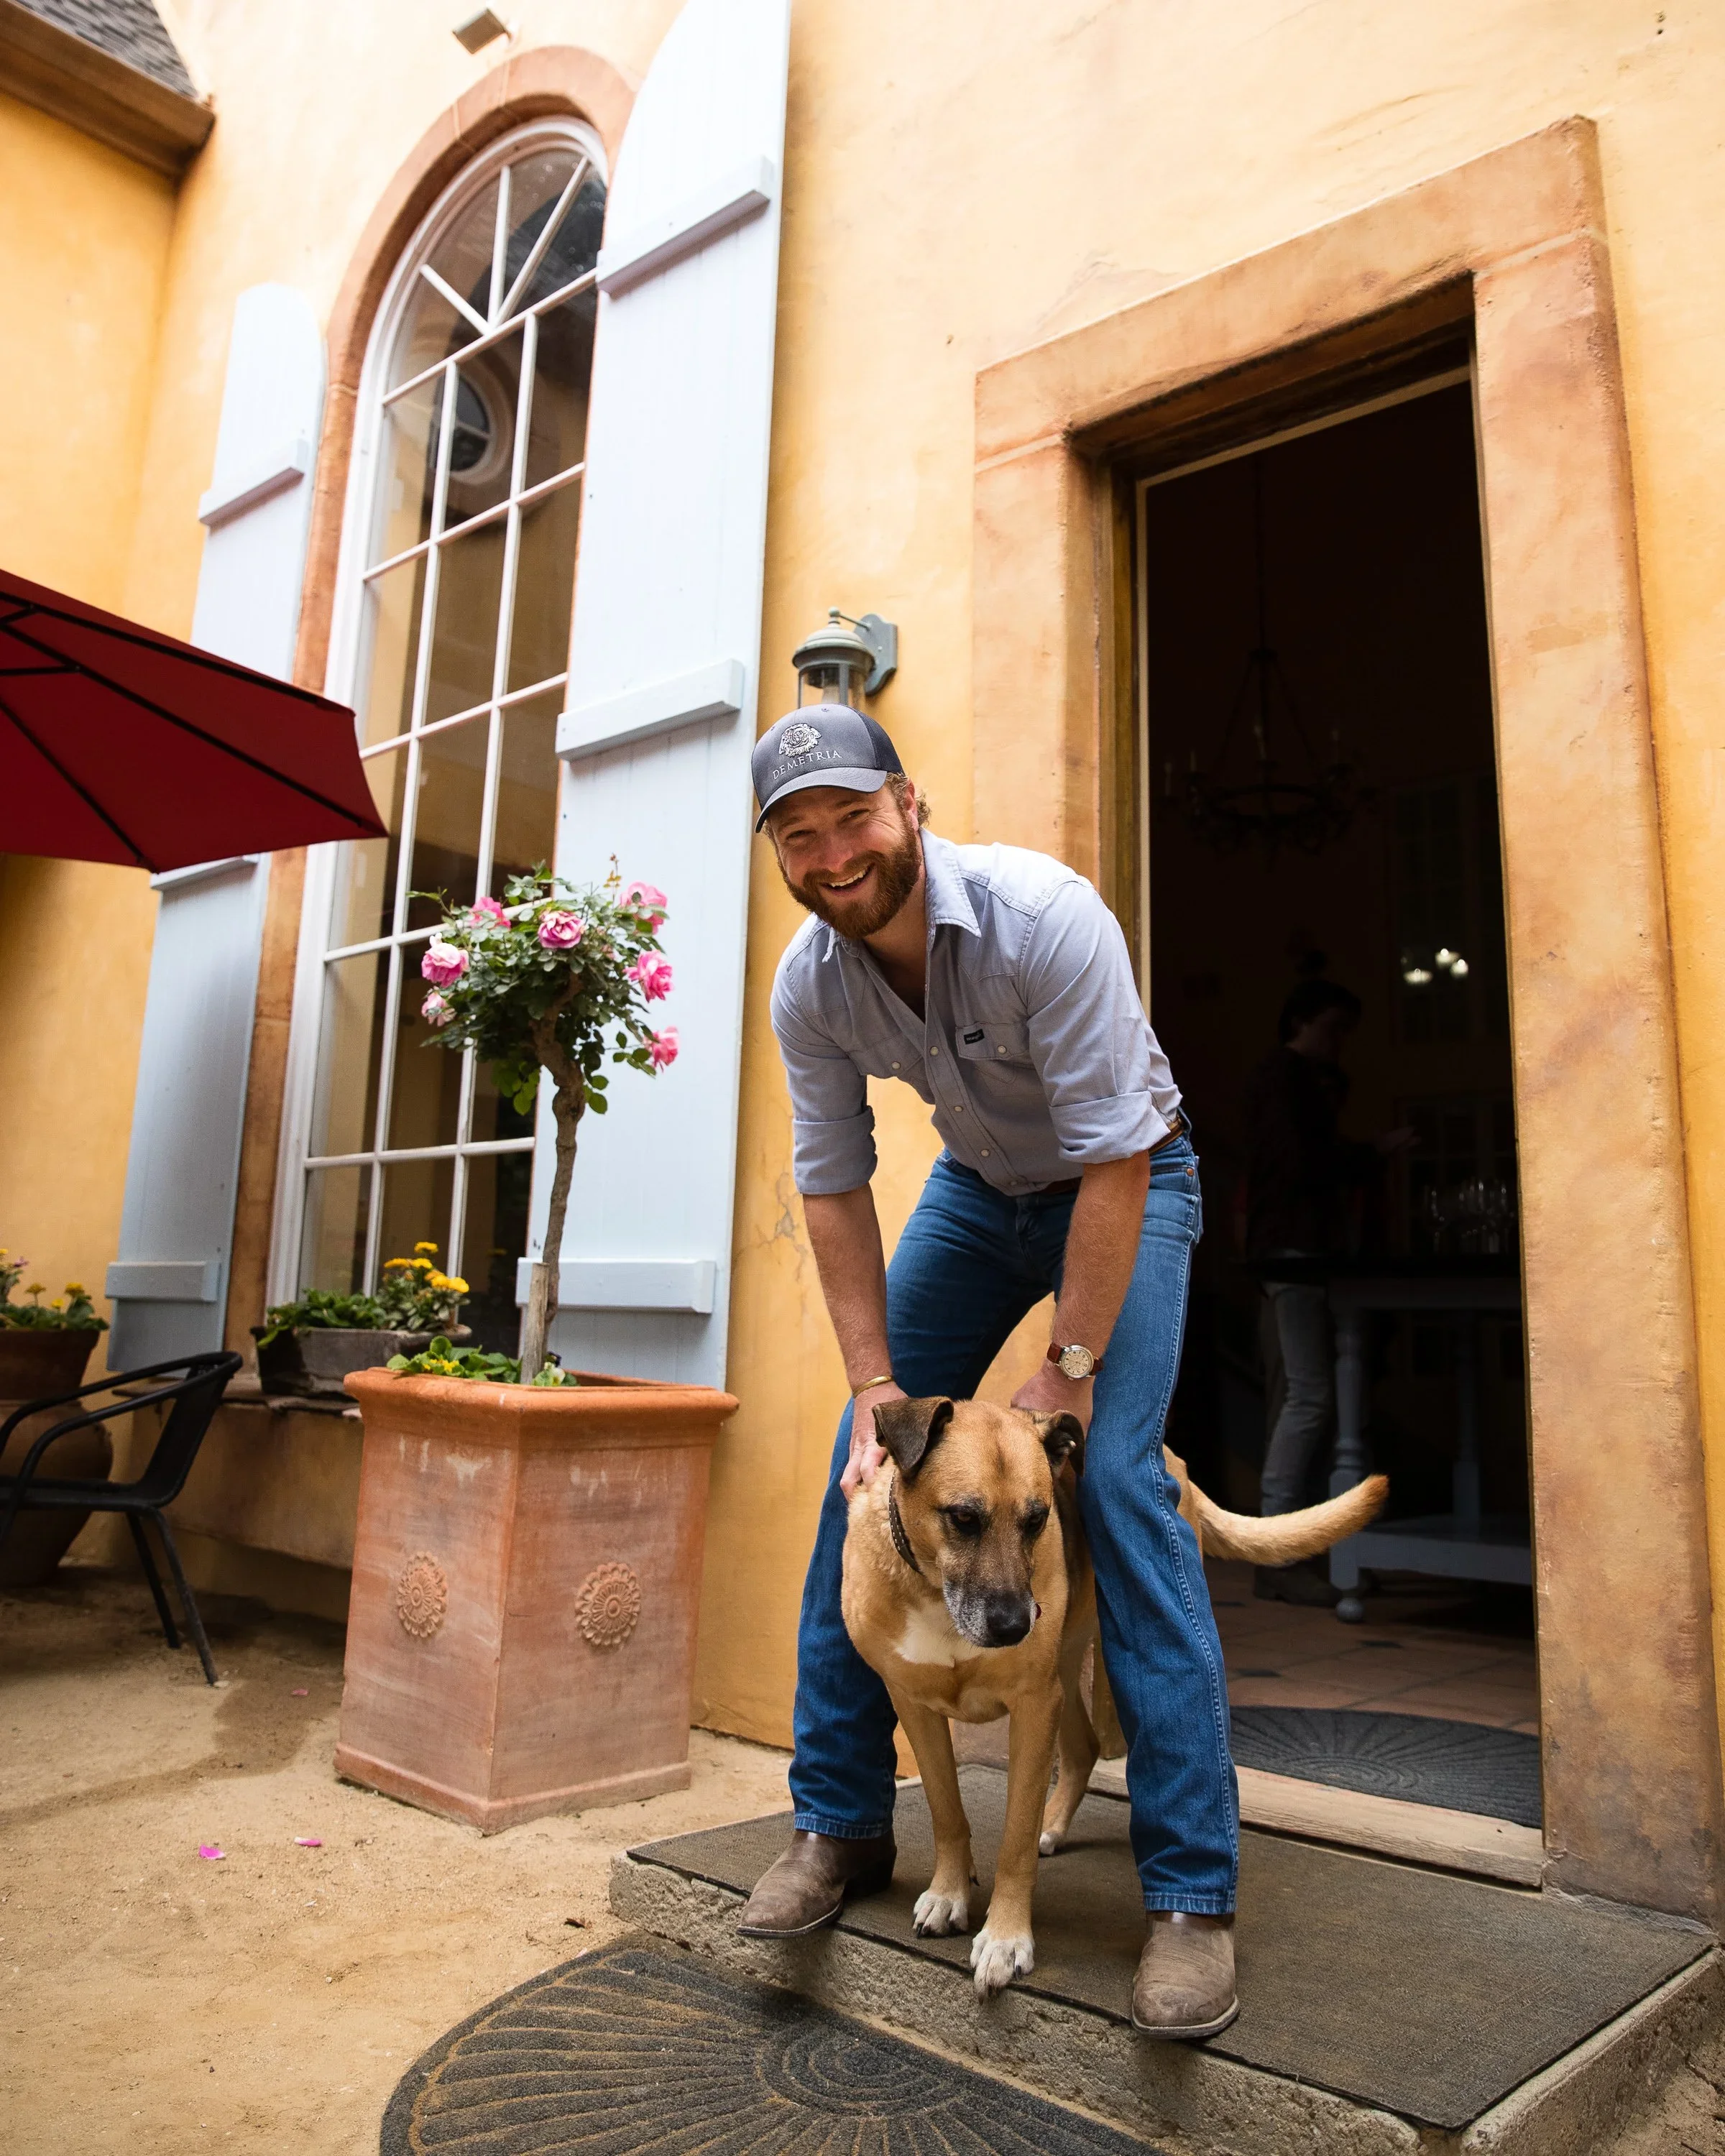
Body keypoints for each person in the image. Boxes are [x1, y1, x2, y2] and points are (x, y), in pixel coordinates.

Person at [736, 702, 1239, 2040]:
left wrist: (1068, 1371)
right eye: (800, 834)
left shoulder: (1044, 915)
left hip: (1128, 1178)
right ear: (779, 855)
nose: (833, 852)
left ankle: (1191, 1897)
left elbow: (1119, 1156)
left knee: (1123, 1483)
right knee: (860, 1491)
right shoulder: (812, 984)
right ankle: (839, 1827)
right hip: (981, 1190)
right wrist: (868, 1392)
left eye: (853, 815)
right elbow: (834, 1185)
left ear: (911, 804)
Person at [1243, 977, 1411, 1603]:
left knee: (1304, 1394)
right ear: (1303, 1022)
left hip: (1295, 1254)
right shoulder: (1285, 1082)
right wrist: (1368, 1153)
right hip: (1295, 1254)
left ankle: (1290, 1545)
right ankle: (1279, 1551)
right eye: (1334, 1029)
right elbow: (1301, 1167)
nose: (1340, 1044)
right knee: (1310, 1396)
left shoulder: (1290, 1082)